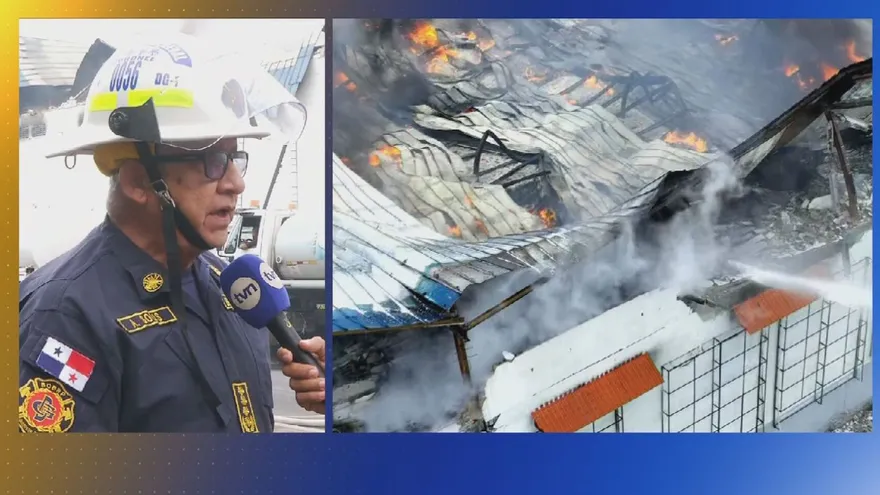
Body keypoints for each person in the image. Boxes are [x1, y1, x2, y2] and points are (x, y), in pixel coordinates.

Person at [18, 35, 324, 433]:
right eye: (213, 161)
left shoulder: (228, 285)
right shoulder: (66, 315)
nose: (236, 183)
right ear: (139, 181)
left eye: (235, 158)